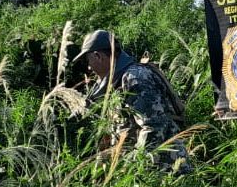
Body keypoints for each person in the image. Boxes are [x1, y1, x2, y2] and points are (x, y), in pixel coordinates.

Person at [74, 29, 191, 174]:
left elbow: (154, 127)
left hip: (164, 170)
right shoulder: (119, 81)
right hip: (148, 171)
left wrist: (131, 166)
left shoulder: (134, 78)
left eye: (88, 60)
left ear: (98, 56)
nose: (89, 67)